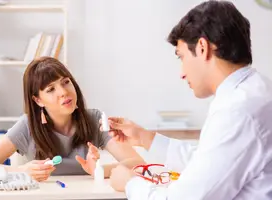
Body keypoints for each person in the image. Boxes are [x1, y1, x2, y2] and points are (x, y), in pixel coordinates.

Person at [104, 1, 272, 199]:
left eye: (181, 57)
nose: (182, 74)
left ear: (202, 48)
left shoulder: (238, 111)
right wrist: (144, 138)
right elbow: (211, 162)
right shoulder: (255, 90)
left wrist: (131, 184)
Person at [0, 57, 144, 182]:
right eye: (50, 89)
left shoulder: (95, 119)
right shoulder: (27, 125)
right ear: (38, 100)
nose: (63, 92)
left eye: (66, 82)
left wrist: (97, 170)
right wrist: (19, 171)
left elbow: (138, 164)